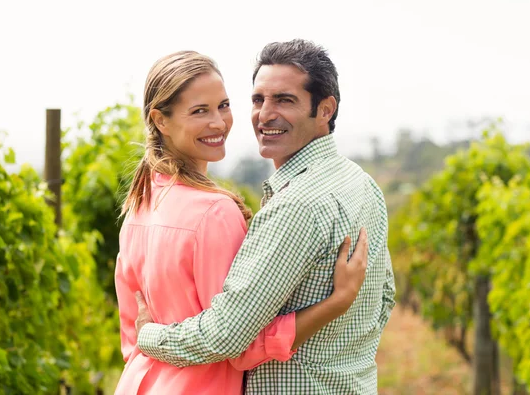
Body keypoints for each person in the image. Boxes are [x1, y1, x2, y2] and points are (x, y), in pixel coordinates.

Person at [135, 40, 396, 394]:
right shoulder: (362, 183)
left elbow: (225, 336)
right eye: (258, 100)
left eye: (284, 100)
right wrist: (341, 357)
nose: (264, 114)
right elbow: (384, 298)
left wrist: (149, 336)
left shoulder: (296, 207)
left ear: (325, 110)